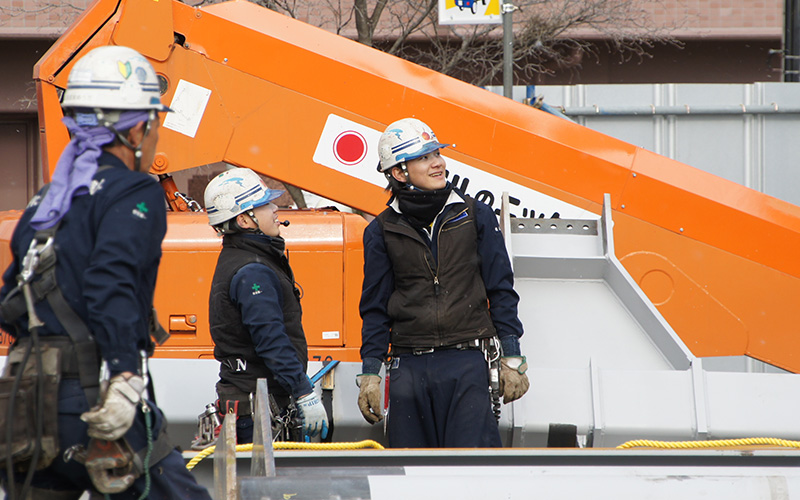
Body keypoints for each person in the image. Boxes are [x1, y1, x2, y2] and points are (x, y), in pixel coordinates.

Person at [0, 45, 211, 499]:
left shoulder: (46, 201)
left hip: (26, 401)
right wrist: (123, 376)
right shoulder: (132, 191)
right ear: (136, 127)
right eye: (155, 122)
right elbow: (110, 283)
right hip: (94, 394)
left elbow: (11, 300)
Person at [357, 117, 530, 448]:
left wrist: (512, 357)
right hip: (408, 367)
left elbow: (501, 290)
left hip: (467, 363)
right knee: (410, 476)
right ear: (398, 172)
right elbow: (375, 309)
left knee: (473, 474)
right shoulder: (380, 232)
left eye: (436, 153)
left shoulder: (476, 215)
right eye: (424, 157)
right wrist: (370, 374)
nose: (438, 163)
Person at [203, 167, 328, 445]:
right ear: (246, 220)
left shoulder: (244, 260)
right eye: (265, 204)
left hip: (250, 405)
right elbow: (270, 339)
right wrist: (303, 391)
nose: (275, 210)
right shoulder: (253, 271)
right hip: (258, 411)